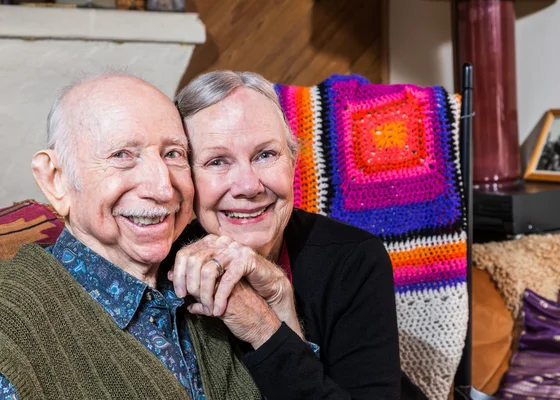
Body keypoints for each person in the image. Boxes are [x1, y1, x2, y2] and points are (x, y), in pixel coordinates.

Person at [0, 72, 263, 399]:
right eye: (122, 155)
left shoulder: (216, 274)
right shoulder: (10, 324)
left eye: (173, 154)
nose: (163, 189)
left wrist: (272, 310)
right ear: (56, 179)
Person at [167, 70, 404, 399]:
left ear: (293, 160)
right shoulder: (165, 264)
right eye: (217, 161)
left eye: (266, 155)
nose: (249, 186)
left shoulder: (354, 260)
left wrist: (269, 322)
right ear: (187, 179)